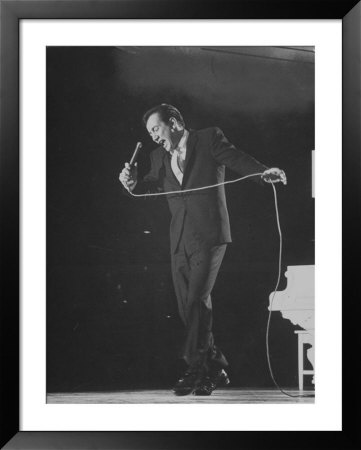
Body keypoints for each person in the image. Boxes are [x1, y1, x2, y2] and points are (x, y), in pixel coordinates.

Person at [119, 104, 286, 396]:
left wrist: (263, 172)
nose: (153, 137)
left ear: (174, 123)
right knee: (188, 307)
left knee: (196, 300)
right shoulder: (158, 156)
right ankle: (215, 368)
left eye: (156, 129)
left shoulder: (208, 139)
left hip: (210, 235)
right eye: (149, 133)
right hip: (180, 239)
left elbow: (236, 158)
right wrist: (131, 183)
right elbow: (148, 186)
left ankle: (195, 370)